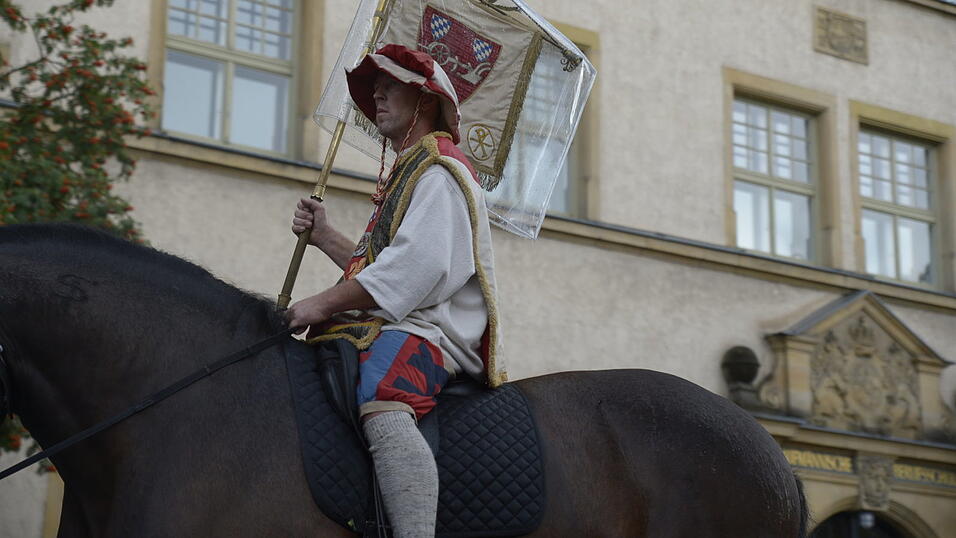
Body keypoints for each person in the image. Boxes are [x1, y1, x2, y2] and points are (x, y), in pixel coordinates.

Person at [285, 44, 504, 538]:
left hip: (430, 334)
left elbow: (411, 272)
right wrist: (325, 237)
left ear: (424, 101)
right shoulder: (411, 170)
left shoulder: (441, 172)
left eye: (389, 85)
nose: (377, 94)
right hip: (396, 319)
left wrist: (318, 303)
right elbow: (381, 269)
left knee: (382, 399)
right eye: (375, 87)